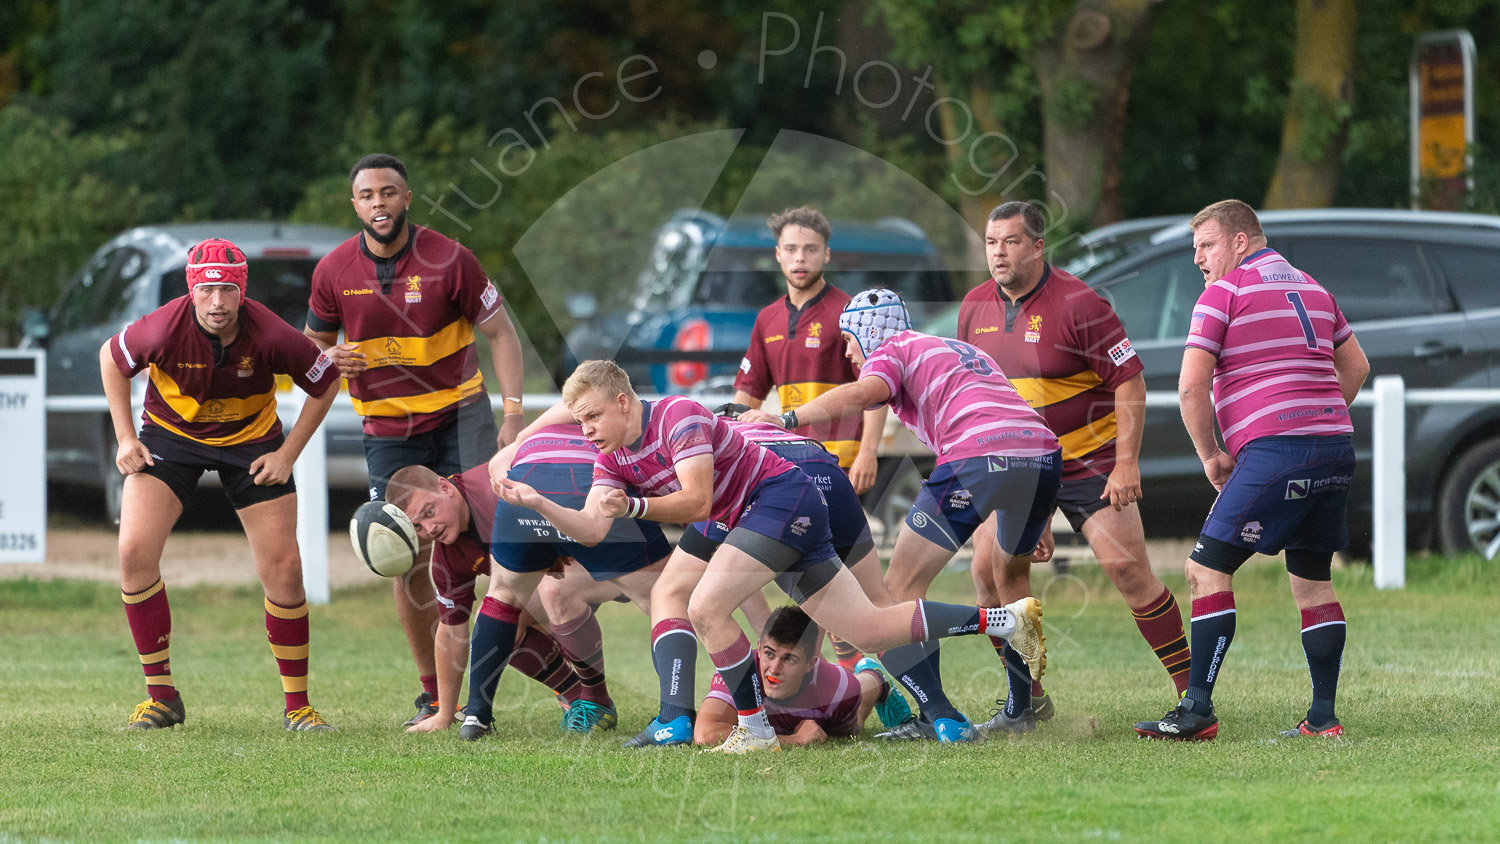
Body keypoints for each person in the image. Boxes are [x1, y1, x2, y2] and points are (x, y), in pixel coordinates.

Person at [497, 360, 1045, 754]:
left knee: (706, 606)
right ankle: (1006, 619)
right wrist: (539, 500)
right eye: (579, 421)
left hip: (783, 497)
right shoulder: (610, 458)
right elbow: (593, 530)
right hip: (757, 513)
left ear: (623, 401)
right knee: (870, 630)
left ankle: (753, 729)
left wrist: (635, 505)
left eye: (592, 417)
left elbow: (698, 501)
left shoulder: (678, 414)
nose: (586, 431)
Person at [741, 288, 1062, 742]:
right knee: (1006, 579)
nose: (849, 353)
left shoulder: (892, 349)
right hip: (1041, 457)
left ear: (870, 335)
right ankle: (1022, 709)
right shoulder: (962, 349)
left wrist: (787, 419)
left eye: (850, 341)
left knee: (899, 589)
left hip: (978, 456)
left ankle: (936, 714)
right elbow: (1013, 418)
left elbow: (865, 392)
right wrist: (1042, 512)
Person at [304, 153, 527, 726]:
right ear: (354, 204)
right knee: (406, 558)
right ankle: (434, 692)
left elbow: (501, 332)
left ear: (408, 198)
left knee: (503, 550)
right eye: (367, 195)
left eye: (388, 192)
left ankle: (547, 685)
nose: (378, 203)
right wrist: (327, 357)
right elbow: (309, 350)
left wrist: (513, 412)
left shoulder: (452, 259)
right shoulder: (332, 271)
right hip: (387, 430)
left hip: (462, 416)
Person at [1134, 200, 1369, 741]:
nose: (1198, 258)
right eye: (1194, 248)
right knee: (1312, 582)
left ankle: (1196, 710)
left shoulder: (1226, 292)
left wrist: (1212, 456)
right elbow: (1356, 366)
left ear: (1241, 242)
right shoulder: (1312, 287)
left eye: (1207, 245)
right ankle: (1323, 718)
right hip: (1334, 447)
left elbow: (1191, 385)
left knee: (1205, 570)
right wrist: (1320, 414)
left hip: (1277, 451)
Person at [957, 201, 1191, 734]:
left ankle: (1191, 693)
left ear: (1038, 247)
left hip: (1090, 460)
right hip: (1014, 466)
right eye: (992, 243)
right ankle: (1027, 700)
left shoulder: (1081, 302)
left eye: (1011, 242)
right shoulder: (973, 308)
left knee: (1128, 571)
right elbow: (975, 394)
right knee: (988, 575)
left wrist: (1126, 463)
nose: (999, 253)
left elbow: (1129, 382)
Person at [101, 237, 341, 731]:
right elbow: (111, 357)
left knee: (285, 568)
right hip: (171, 438)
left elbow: (326, 380)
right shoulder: (163, 326)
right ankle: (162, 697)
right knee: (133, 553)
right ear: (192, 290)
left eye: (228, 290)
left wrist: (286, 453)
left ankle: (298, 707)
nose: (217, 301)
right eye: (208, 289)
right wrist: (125, 437)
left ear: (241, 292)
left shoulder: (270, 331)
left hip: (252, 443)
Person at [618, 406, 896, 748]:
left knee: (852, 716)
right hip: (823, 473)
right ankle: (937, 707)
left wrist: (634, 505)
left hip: (782, 488)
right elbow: (736, 573)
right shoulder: (751, 438)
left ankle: (676, 716)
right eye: (767, 654)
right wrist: (784, 653)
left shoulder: (724, 455)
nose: (772, 666)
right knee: (873, 610)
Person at [387, 422, 672, 739]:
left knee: (669, 601)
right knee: (504, 618)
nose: (431, 529)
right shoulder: (446, 553)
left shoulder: (497, 490)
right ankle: (584, 698)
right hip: (572, 570)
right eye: (419, 528)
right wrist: (444, 713)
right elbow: (452, 631)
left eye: (429, 512)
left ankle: (703, 704)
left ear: (445, 487)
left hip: (612, 539)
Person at [730, 206, 889, 669]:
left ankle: (870, 682)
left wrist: (868, 452)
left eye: (811, 249)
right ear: (778, 255)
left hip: (841, 465)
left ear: (827, 254)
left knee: (851, 586)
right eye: (792, 249)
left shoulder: (848, 311)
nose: (801, 258)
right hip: (789, 466)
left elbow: (878, 387)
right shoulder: (766, 320)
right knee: (815, 580)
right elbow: (748, 395)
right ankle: (839, 685)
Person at [694, 606, 913, 747]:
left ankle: (875, 676)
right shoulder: (738, 672)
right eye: (769, 654)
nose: (774, 668)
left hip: (829, 695)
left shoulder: (838, 687)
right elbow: (705, 734)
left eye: (789, 659)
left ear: (810, 663)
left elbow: (843, 736)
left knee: (857, 724)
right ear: (758, 649)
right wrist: (793, 740)